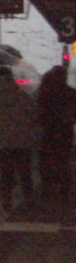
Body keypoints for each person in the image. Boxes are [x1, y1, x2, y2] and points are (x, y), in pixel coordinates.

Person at [0, 66, 39, 210]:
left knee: (6, 174)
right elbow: (34, 117)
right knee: (25, 172)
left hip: (4, 142)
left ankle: (7, 201)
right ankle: (29, 199)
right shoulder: (25, 98)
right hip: (23, 142)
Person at [35, 65, 76, 200]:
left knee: (46, 160)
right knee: (63, 161)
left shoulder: (44, 91)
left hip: (48, 131)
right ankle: (64, 189)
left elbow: (37, 113)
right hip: (65, 131)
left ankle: (48, 188)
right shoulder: (71, 93)